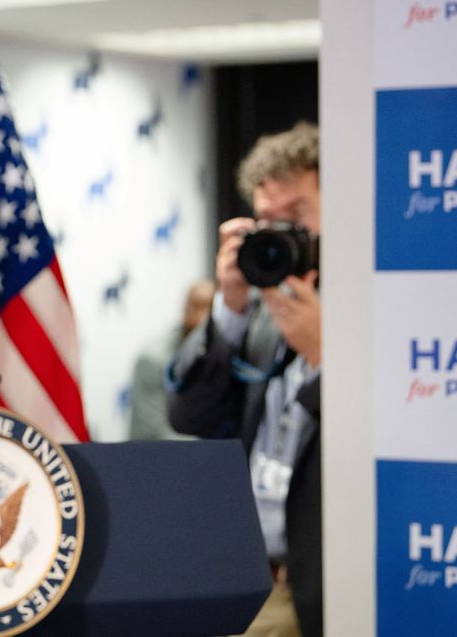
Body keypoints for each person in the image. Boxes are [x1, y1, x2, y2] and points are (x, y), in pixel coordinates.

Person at [167, 121, 322, 637]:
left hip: (331, 576)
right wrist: (229, 307)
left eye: (296, 215)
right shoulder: (259, 315)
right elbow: (190, 416)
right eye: (266, 221)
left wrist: (322, 353)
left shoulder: (377, 305)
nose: (279, 234)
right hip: (252, 573)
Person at [128, 278, 214, 440]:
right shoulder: (152, 359)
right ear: (188, 312)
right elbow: (154, 433)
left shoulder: (227, 355)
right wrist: (214, 448)